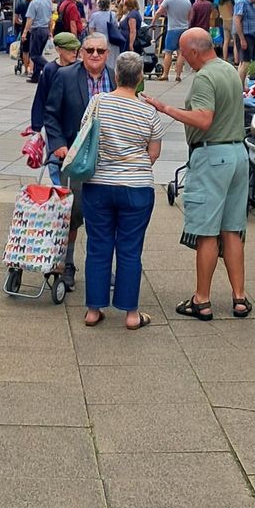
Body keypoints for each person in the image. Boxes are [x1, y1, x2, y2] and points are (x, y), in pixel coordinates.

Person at [147, 28, 251, 320]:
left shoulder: (205, 76)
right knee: (232, 229)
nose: (182, 57)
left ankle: (202, 300)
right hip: (237, 154)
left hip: (212, 157)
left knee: (206, 231)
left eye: (182, 52)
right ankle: (239, 298)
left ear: (194, 52)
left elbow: (204, 119)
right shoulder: (229, 70)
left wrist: (165, 108)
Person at [80, 51, 166, 330]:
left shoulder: (98, 102)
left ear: (115, 75)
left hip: (99, 185)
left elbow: (85, 137)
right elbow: (153, 153)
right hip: (137, 187)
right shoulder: (149, 112)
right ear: (140, 78)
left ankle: (93, 310)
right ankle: (131, 314)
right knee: (130, 250)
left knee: (98, 246)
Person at [44, 31, 115, 290]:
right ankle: (67, 265)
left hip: (107, 159)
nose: (95, 55)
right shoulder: (64, 76)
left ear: (107, 54)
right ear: (81, 52)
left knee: (104, 217)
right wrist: (58, 145)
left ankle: (102, 268)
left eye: (100, 51)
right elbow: (50, 114)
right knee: (71, 216)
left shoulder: (117, 78)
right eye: (89, 50)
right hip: (73, 158)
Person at [31, 32, 81, 167]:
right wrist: (36, 127)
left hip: (74, 122)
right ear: (58, 49)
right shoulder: (49, 69)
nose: (74, 52)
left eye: (76, 49)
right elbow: (41, 98)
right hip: (54, 123)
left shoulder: (80, 68)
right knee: (54, 162)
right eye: (70, 49)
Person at [154, 0, 192, 83]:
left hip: (172, 29)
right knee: (181, 53)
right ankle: (178, 75)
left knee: (168, 52)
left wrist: (153, 22)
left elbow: (159, 12)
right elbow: (190, 16)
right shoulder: (187, 1)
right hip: (184, 29)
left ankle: (165, 74)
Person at [21, 0, 54, 83]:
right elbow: (50, 18)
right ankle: (36, 76)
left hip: (37, 30)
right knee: (39, 53)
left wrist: (24, 33)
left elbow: (30, 19)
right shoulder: (48, 1)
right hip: (45, 30)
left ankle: (50, 68)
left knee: (34, 55)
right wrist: (50, 31)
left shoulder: (33, 3)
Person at [234, 0, 255, 77]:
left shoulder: (248, 4)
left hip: (249, 36)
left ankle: (242, 85)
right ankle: (240, 87)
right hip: (245, 36)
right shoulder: (242, 2)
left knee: (245, 63)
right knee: (245, 63)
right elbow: (237, 20)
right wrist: (242, 39)